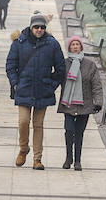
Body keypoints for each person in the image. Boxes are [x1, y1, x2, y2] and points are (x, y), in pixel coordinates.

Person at [5, 11, 65, 170]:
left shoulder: (52, 44)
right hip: (24, 89)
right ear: (31, 27)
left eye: (42, 27)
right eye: (36, 27)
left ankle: (37, 159)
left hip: (42, 91)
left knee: (38, 125)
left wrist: (50, 85)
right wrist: (15, 83)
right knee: (23, 121)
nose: (39, 30)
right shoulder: (19, 42)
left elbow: (60, 69)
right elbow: (11, 65)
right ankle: (24, 149)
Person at [57, 36, 103, 170]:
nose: (75, 46)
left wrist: (98, 102)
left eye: (78, 44)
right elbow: (56, 79)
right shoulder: (64, 64)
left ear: (81, 47)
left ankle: (77, 161)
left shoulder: (90, 65)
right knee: (69, 130)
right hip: (68, 104)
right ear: (69, 47)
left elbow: (96, 85)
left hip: (85, 104)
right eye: (73, 45)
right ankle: (68, 157)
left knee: (79, 133)